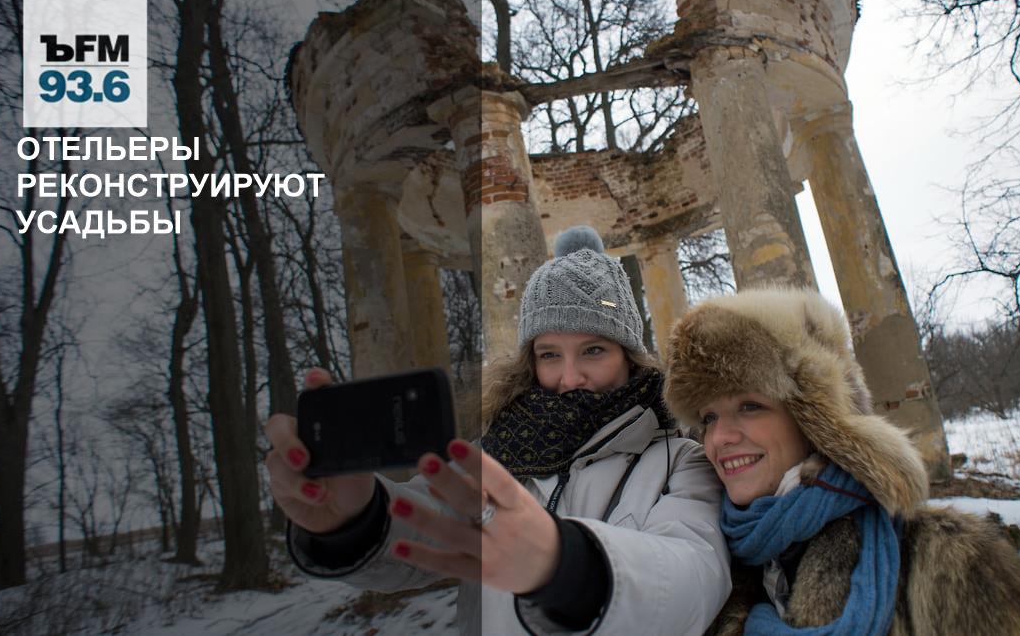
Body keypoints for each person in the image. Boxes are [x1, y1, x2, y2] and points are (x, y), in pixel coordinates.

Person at [265, 226, 730, 635]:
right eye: (550, 354)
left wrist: (567, 564)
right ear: (530, 362)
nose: (569, 378)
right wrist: (354, 519)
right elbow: (425, 525)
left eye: (593, 350)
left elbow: (696, 575)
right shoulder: (493, 453)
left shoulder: (677, 459)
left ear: (630, 356)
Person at [662, 287, 1020, 636]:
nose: (719, 437)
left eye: (750, 406)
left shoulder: (954, 562)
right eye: (708, 417)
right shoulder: (709, 571)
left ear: (817, 421)